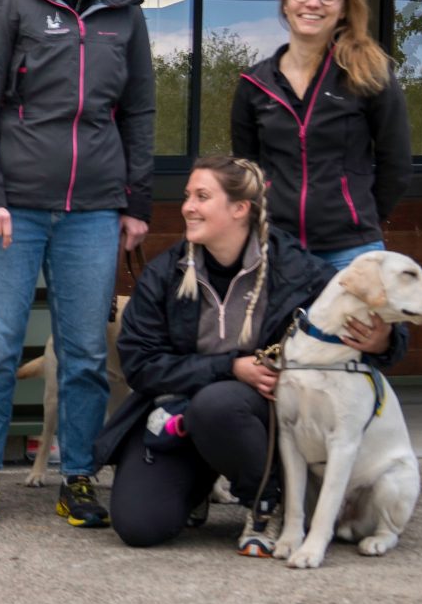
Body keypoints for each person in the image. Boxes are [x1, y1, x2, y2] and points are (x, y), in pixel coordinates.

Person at [0, 0, 155, 531]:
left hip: (94, 210)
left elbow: (140, 111)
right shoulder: (4, 8)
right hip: (11, 210)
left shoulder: (124, 14)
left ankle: (77, 478)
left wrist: (135, 203)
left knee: (86, 354)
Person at [102, 155, 403, 551]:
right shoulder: (165, 272)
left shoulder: (297, 269)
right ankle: (199, 484)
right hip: (175, 416)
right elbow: (139, 365)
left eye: (202, 196)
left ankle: (267, 501)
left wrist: (384, 341)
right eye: (188, 195)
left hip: (258, 419)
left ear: (240, 208)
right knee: (139, 526)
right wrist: (230, 367)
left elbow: (383, 338)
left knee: (218, 405)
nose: (187, 206)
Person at [228, 0, 413, 269]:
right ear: (286, 2)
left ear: (343, 7)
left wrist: (359, 216)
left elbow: (395, 164)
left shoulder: (369, 75)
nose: (313, 3)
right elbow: (248, 170)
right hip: (276, 248)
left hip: (351, 251)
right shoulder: (254, 84)